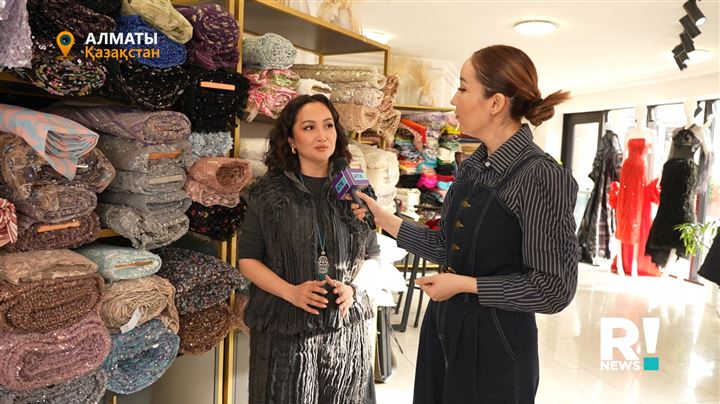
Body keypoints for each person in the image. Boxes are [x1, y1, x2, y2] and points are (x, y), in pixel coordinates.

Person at [354, 45, 579, 403]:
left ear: (495, 103)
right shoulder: (473, 165)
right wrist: (383, 218)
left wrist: (466, 285)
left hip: (497, 346)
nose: (453, 100)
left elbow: (553, 289)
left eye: (462, 88)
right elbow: (445, 245)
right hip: (444, 329)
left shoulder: (540, 176)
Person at [237, 94, 379, 404]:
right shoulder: (268, 193)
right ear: (291, 140)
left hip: (346, 332)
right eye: (309, 127)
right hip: (285, 332)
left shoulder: (356, 190)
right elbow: (247, 260)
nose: (322, 135)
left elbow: (372, 255)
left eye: (328, 125)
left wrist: (353, 289)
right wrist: (291, 292)